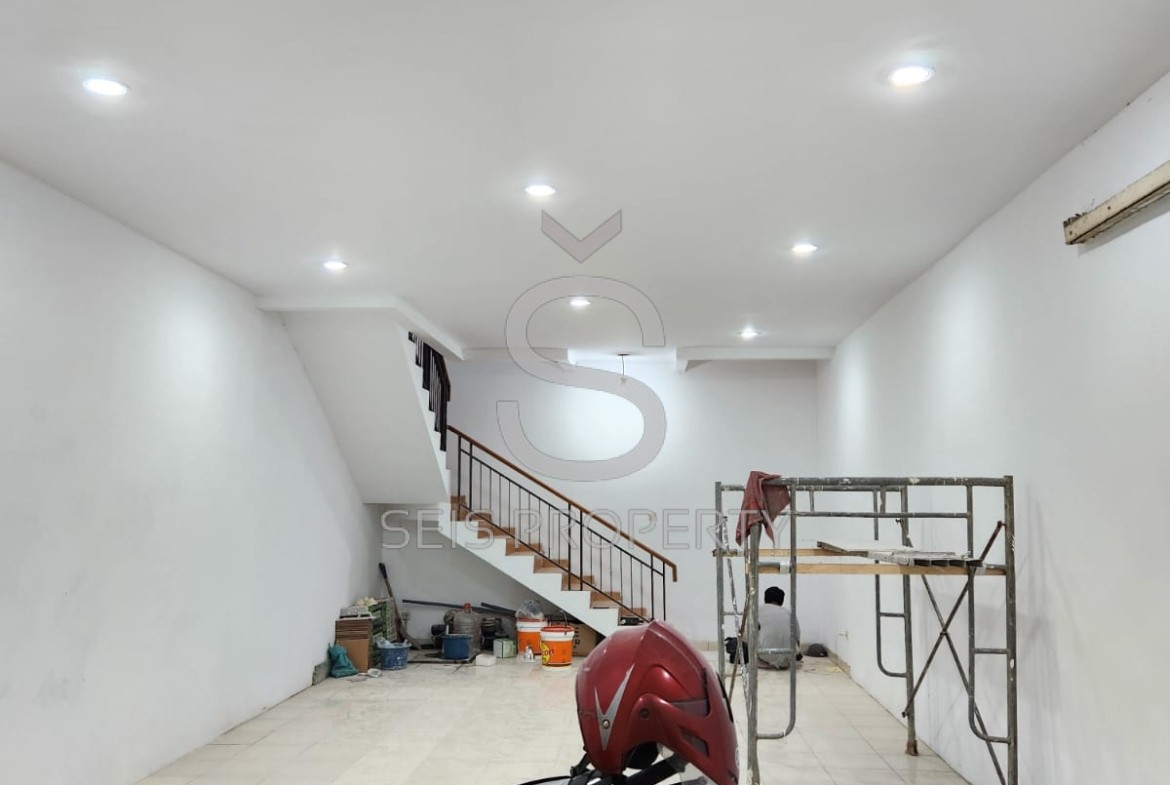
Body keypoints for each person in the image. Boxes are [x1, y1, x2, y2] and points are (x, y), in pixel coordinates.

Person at [758, 586, 800, 669]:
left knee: (748, 634)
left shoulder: (758, 610)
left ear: (765, 599)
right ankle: (784, 661)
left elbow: (745, 634)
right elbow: (797, 637)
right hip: (791, 654)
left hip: (767, 654)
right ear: (782, 601)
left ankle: (760, 662)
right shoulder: (789, 613)